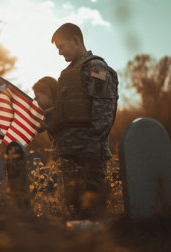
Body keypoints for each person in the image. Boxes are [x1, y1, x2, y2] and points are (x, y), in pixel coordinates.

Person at [40, 23, 119, 220]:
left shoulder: (96, 68)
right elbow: (63, 112)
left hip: (89, 152)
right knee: (72, 207)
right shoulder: (66, 75)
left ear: (76, 40)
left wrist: (94, 145)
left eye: (62, 46)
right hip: (68, 152)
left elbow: (103, 109)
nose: (59, 52)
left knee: (92, 208)